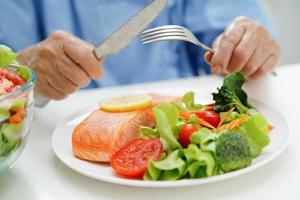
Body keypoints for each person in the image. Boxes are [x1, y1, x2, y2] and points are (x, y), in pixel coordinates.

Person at [0, 0, 281, 100]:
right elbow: (10, 66)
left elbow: (234, 28)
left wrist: (246, 44)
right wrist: (24, 68)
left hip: (181, 116)